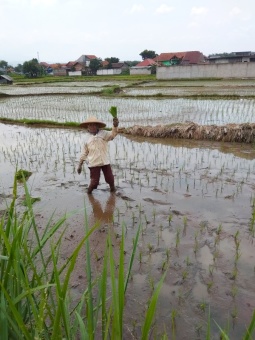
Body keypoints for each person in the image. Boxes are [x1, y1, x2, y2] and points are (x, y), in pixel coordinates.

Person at [77, 116, 119, 194]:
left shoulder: (104, 134)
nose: (92, 127)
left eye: (94, 125)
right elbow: (84, 153)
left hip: (104, 161)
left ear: (97, 126)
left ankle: (113, 191)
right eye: (90, 125)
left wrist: (115, 126)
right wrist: (80, 165)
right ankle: (89, 193)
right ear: (88, 127)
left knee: (110, 179)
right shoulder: (86, 138)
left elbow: (113, 135)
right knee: (94, 182)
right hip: (93, 163)